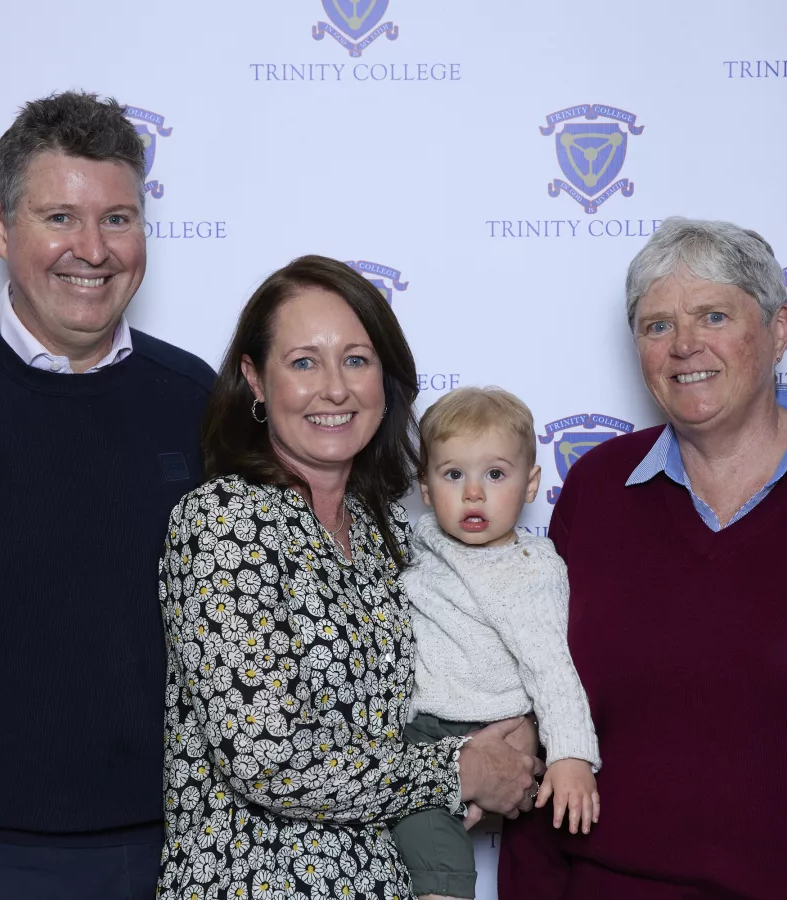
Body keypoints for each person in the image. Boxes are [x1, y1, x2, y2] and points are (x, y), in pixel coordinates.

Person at [157, 255, 539, 900]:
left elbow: (438, 683)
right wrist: (459, 771)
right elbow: (266, 760)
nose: (335, 389)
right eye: (304, 362)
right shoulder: (222, 522)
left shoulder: (385, 527)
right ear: (254, 379)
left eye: (356, 360)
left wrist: (510, 732)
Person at [0, 91, 214, 899]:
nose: (92, 250)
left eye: (118, 219)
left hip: (175, 852)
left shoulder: (198, 401)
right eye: (60, 217)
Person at [498, 217, 787, 899]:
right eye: (656, 327)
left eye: (713, 315)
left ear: (779, 329)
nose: (684, 345)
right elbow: (546, 711)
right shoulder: (597, 487)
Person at [392, 387, 601, 900]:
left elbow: (553, 669)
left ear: (531, 485)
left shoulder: (531, 571)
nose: (473, 494)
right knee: (418, 848)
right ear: (424, 486)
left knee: (442, 865)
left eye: (495, 474)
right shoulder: (421, 541)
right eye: (453, 475)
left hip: (496, 729)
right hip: (421, 734)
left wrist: (572, 756)